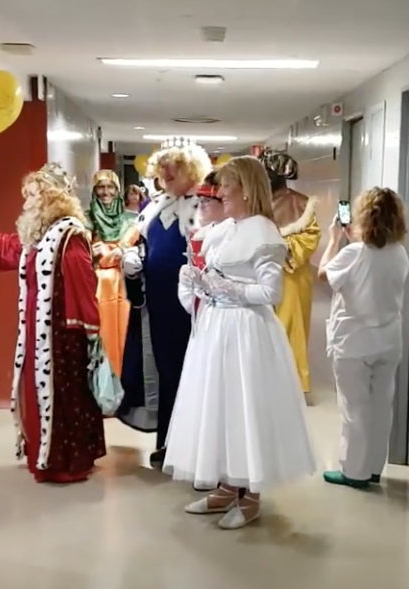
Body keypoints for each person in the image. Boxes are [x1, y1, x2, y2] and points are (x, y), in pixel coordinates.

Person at [164, 156, 316, 529]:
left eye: (228, 186)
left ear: (246, 190)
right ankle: (226, 487)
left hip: (245, 331)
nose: (221, 193)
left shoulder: (263, 232)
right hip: (217, 329)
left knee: (242, 407)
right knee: (219, 407)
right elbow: (213, 273)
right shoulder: (228, 228)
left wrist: (224, 288)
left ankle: (250, 497)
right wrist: (198, 283)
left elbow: (270, 291)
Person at [0, 163, 106, 484]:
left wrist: (87, 330)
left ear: (50, 197)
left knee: (62, 394)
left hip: (61, 333)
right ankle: (46, 453)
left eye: (32, 195)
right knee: (39, 391)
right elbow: (13, 249)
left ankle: (66, 462)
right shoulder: (44, 233)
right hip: (39, 329)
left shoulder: (69, 233)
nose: (26, 203)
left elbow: (83, 282)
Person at [117, 141, 212, 466]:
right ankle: (170, 441)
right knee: (165, 372)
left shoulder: (206, 208)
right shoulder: (156, 206)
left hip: (192, 308)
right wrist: (133, 257)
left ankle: (193, 447)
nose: (167, 174)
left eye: (175, 167)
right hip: (157, 305)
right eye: (164, 168)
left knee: (192, 373)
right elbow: (138, 242)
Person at [317, 187, 409, 488]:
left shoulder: (352, 253)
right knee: (382, 405)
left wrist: (333, 240)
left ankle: (353, 472)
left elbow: (323, 275)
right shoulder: (399, 253)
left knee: (355, 408)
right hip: (388, 341)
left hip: (354, 342)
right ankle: (373, 468)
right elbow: (373, 261)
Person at [259, 148, 321, 397]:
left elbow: (310, 237)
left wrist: (281, 250)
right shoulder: (254, 201)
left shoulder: (301, 203)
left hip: (291, 276)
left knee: (291, 329)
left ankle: (293, 385)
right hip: (257, 273)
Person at [86, 170, 137, 375]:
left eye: (110, 187)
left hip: (126, 283)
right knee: (103, 333)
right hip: (98, 285)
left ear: (117, 191)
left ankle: (126, 382)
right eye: (100, 187)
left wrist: (122, 250)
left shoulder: (131, 220)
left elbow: (137, 248)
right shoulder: (87, 219)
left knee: (126, 332)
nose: (105, 192)